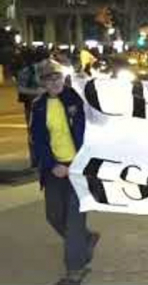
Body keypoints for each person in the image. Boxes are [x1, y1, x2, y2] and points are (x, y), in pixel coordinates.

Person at [30, 60, 100, 285]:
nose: (54, 82)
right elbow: (38, 140)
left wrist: (76, 164)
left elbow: (94, 130)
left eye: (57, 77)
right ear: (43, 82)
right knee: (53, 215)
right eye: (48, 79)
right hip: (54, 170)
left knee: (74, 221)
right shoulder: (39, 105)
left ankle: (75, 270)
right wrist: (53, 165)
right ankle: (86, 239)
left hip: (80, 169)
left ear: (64, 78)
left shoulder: (78, 99)